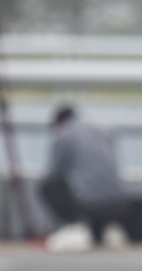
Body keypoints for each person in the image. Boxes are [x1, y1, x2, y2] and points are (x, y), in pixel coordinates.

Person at [39, 105, 130, 251]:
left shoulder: (64, 135)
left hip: (87, 205)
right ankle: (108, 229)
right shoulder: (103, 131)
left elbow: (54, 174)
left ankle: (76, 226)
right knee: (92, 187)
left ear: (58, 122)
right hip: (120, 205)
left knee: (49, 187)